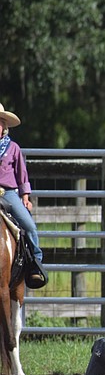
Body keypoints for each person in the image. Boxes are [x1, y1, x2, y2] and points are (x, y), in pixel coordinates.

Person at [0, 103, 47, 288]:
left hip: (9, 193)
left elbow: (22, 176)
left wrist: (25, 197)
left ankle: (36, 263)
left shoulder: (13, 149)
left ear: (4, 126)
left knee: (29, 226)